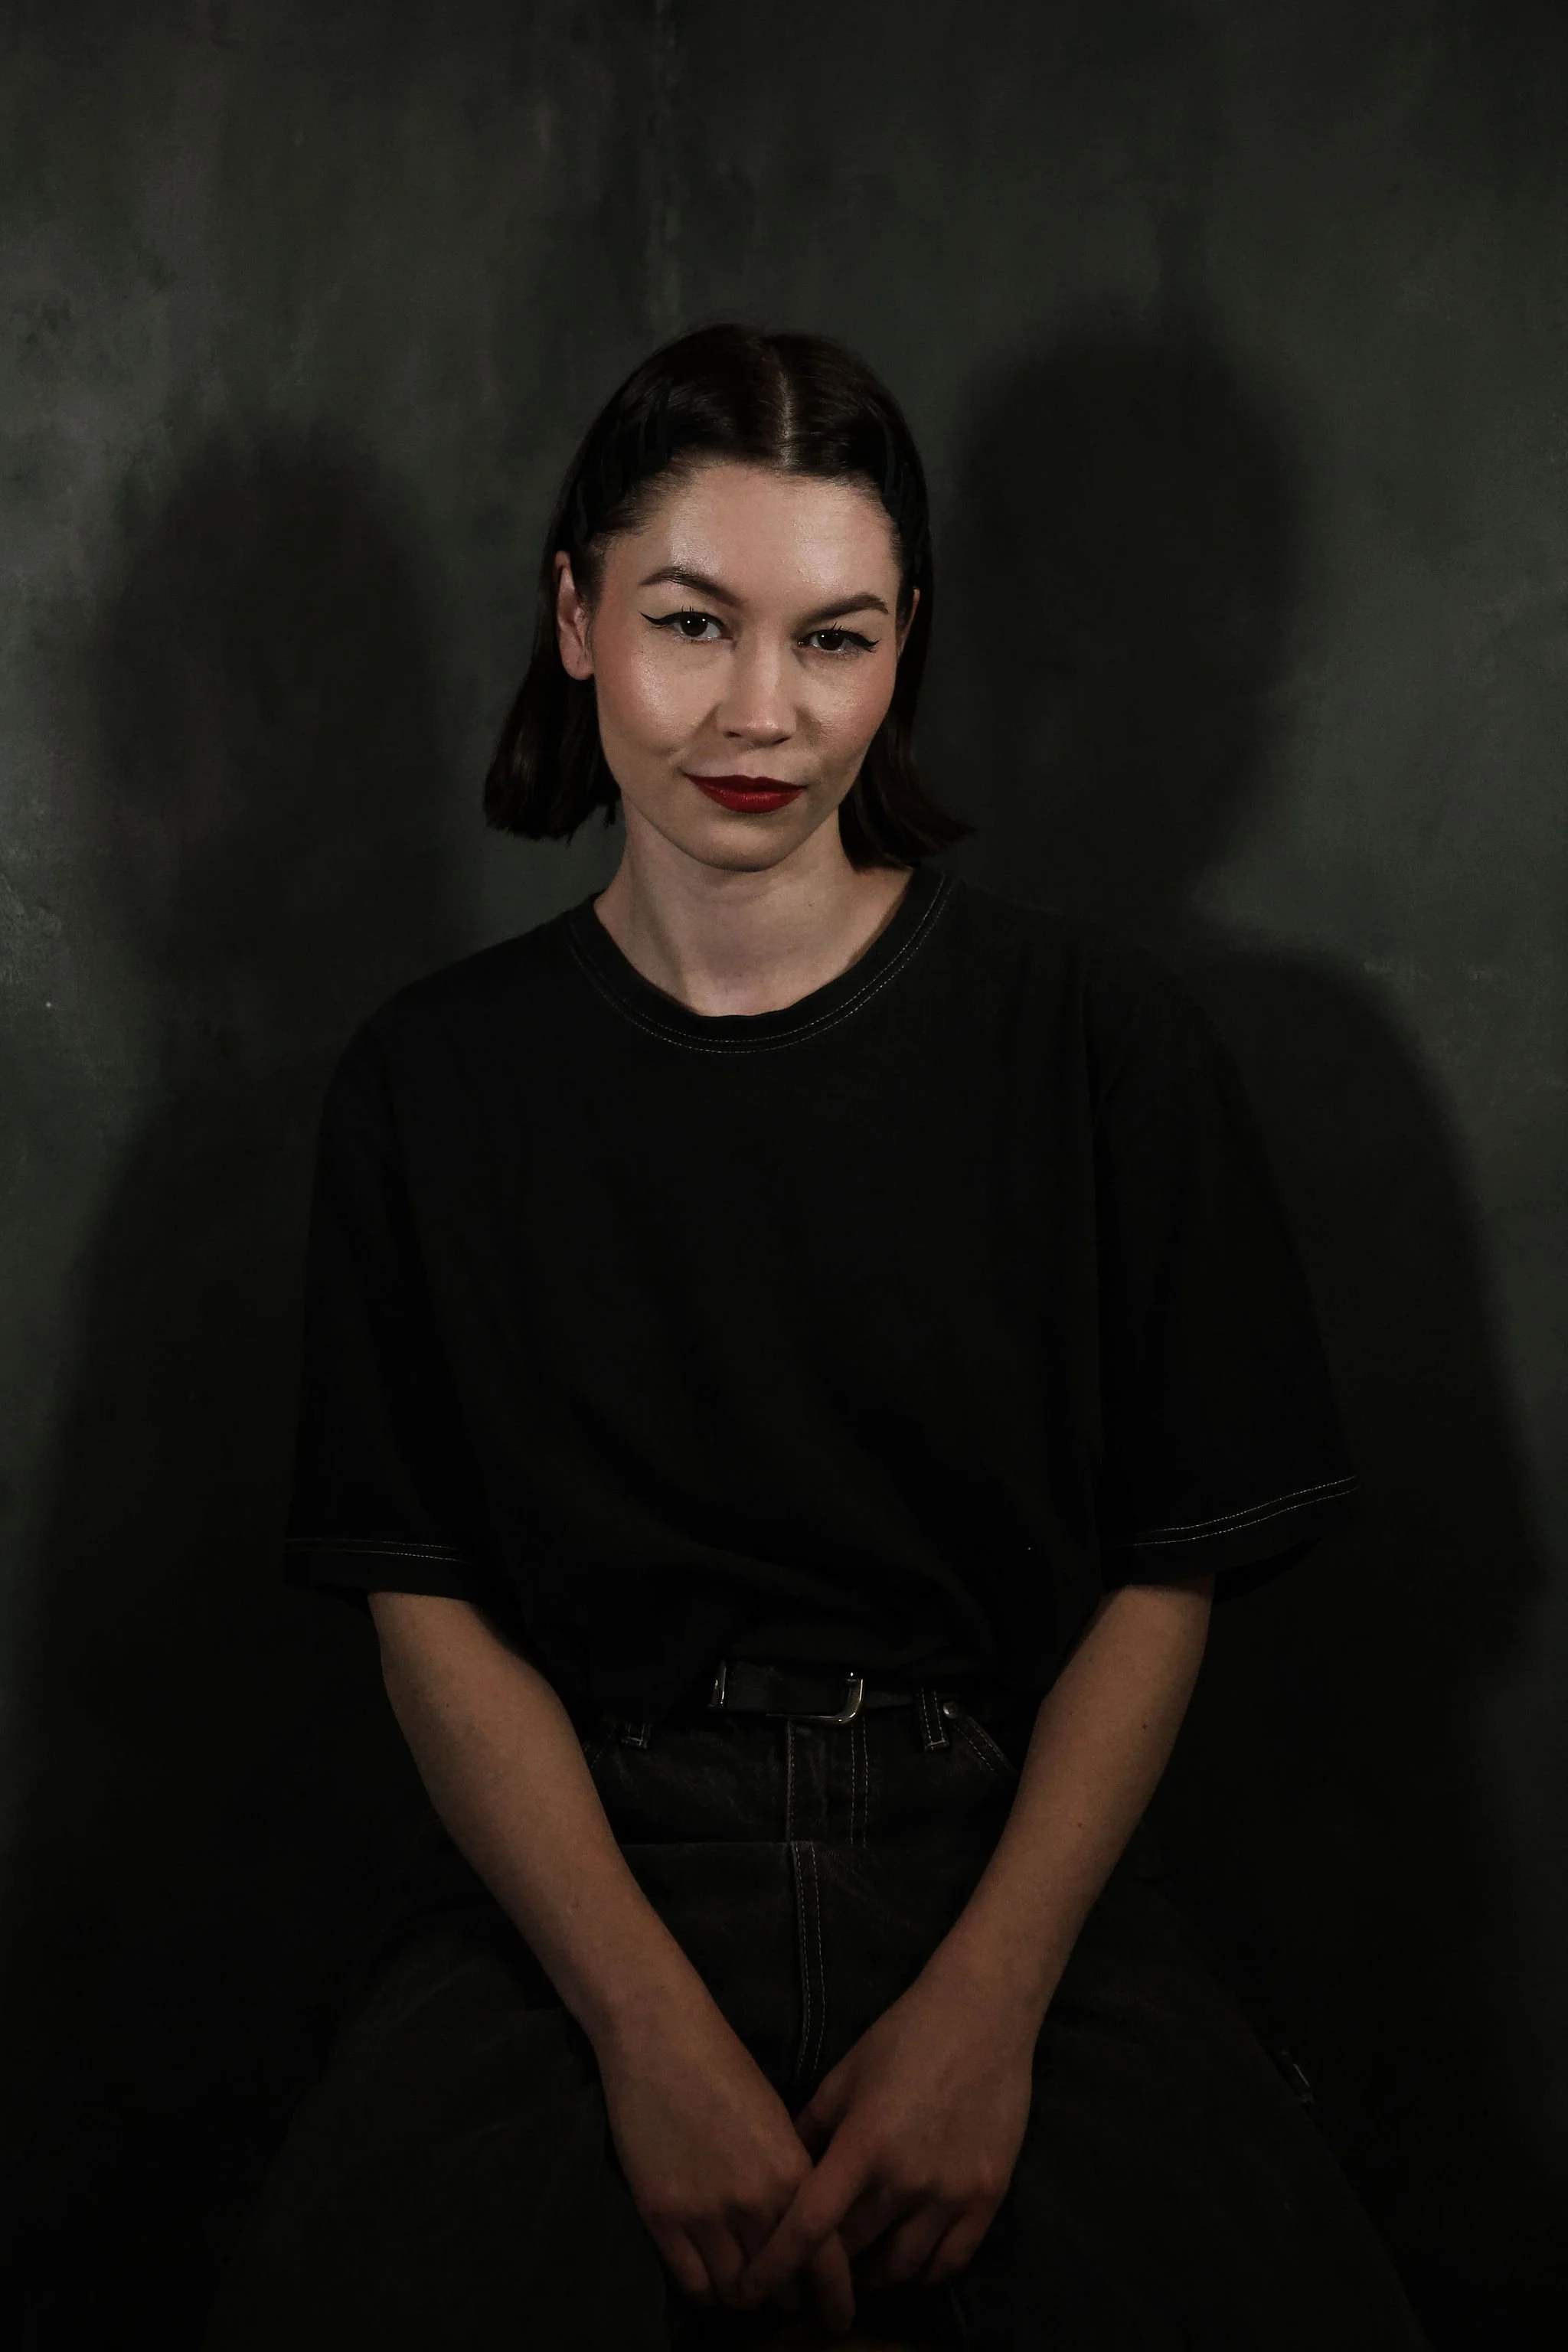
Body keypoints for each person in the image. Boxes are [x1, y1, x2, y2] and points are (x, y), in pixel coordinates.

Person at [203, 325, 1431, 2351]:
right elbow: (424, 1604)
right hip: (580, 1885)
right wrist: (640, 2028)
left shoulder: (1097, 1046)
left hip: (997, 1867)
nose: (760, 713)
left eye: (835, 639)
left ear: (905, 644)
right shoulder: (430, 1086)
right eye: (692, 622)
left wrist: (990, 2007)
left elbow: (1171, 1568)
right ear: (578, 616)